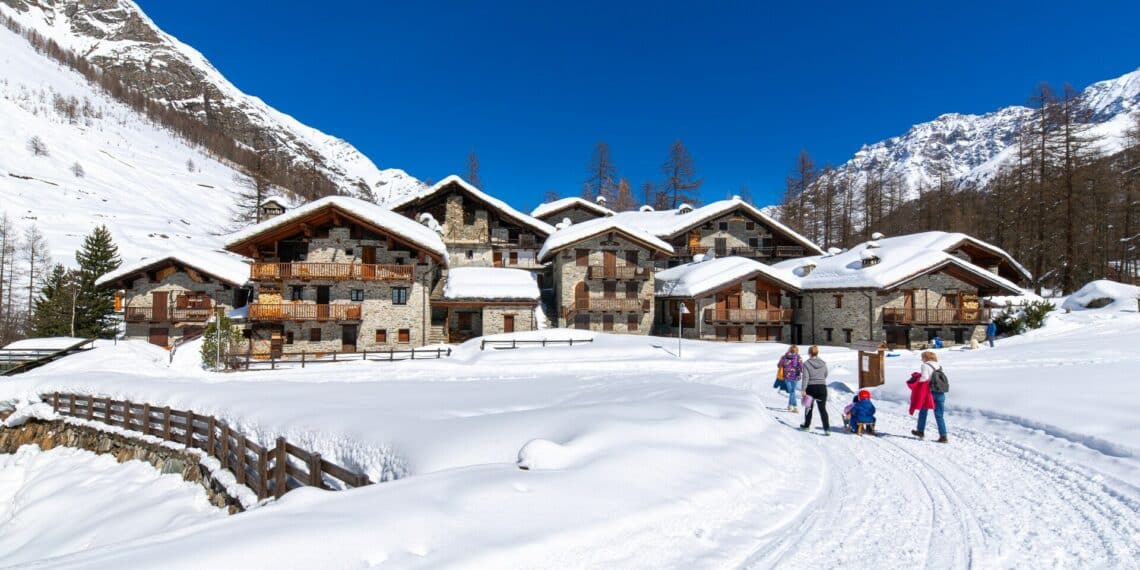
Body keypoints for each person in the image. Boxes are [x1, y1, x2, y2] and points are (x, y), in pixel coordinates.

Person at [912, 351, 949, 443]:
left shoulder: (925, 365)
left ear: (926, 357)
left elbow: (924, 378)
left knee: (923, 412)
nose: (921, 359)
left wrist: (917, 381)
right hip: (940, 392)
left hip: (929, 393)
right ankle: (943, 436)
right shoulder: (938, 366)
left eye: (922, 357)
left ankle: (920, 431)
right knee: (939, 415)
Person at [798, 345, 830, 435]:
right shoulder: (823, 363)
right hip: (822, 388)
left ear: (809, 353)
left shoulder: (806, 364)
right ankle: (827, 429)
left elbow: (805, 378)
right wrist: (820, 379)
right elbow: (825, 374)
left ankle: (806, 426)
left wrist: (803, 389)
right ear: (817, 352)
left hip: (811, 388)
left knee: (808, 407)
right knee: (822, 409)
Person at [778, 346, 804, 412]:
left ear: (789, 350)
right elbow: (802, 368)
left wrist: (782, 362)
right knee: (792, 391)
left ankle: (790, 405)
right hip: (796, 377)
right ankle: (795, 406)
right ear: (797, 350)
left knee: (792, 391)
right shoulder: (798, 358)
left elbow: (779, 365)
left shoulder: (784, 357)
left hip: (787, 377)